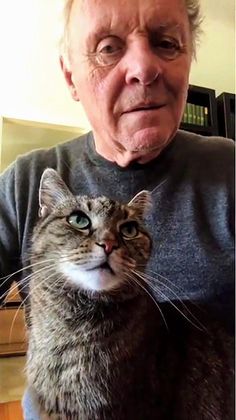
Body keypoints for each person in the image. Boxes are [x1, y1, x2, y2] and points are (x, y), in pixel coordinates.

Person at [0, 0, 234, 418]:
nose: (144, 69)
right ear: (71, 76)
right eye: (108, 47)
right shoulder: (25, 178)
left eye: (166, 43)